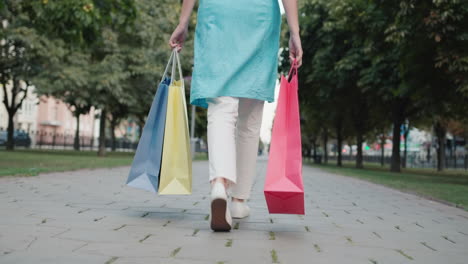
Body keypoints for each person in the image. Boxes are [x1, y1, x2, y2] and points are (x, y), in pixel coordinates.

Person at [169, 0, 302, 231]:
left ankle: (219, 183)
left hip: (218, 14)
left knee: (221, 105)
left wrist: (183, 22)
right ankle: (239, 200)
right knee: (249, 118)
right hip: (258, 17)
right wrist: (294, 31)